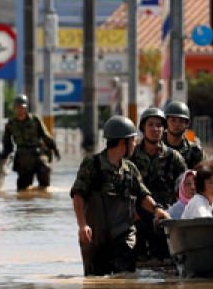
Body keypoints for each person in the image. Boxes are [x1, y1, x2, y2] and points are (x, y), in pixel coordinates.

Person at [70, 116, 170, 276]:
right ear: (123, 142)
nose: (135, 144)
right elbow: (78, 196)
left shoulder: (130, 168)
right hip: (95, 237)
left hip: (123, 237)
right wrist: (82, 225)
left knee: (124, 282)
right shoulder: (92, 164)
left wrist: (157, 209)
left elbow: (143, 195)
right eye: (133, 140)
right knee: (95, 286)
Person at [130, 106, 187, 260]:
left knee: (165, 261)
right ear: (143, 127)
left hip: (164, 217)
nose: (155, 129)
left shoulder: (173, 156)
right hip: (137, 217)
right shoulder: (132, 155)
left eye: (159, 125)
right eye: (151, 125)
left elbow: (186, 186)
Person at [1, 94, 59, 190]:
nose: (20, 110)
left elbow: (45, 135)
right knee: (23, 188)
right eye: (18, 107)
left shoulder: (35, 120)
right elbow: (7, 144)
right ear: (14, 108)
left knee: (45, 179)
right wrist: (4, 155)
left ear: (26, 108)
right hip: (23, 157)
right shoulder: (10, 124)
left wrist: (54, 148)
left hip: (38, 154)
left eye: (22, 107)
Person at [162, 100, 203, 169]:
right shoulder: (156, 147)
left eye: (181, 121)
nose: (177, 124)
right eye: (173, 120)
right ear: (166, 122)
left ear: (187, 124)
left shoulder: (195, 151)